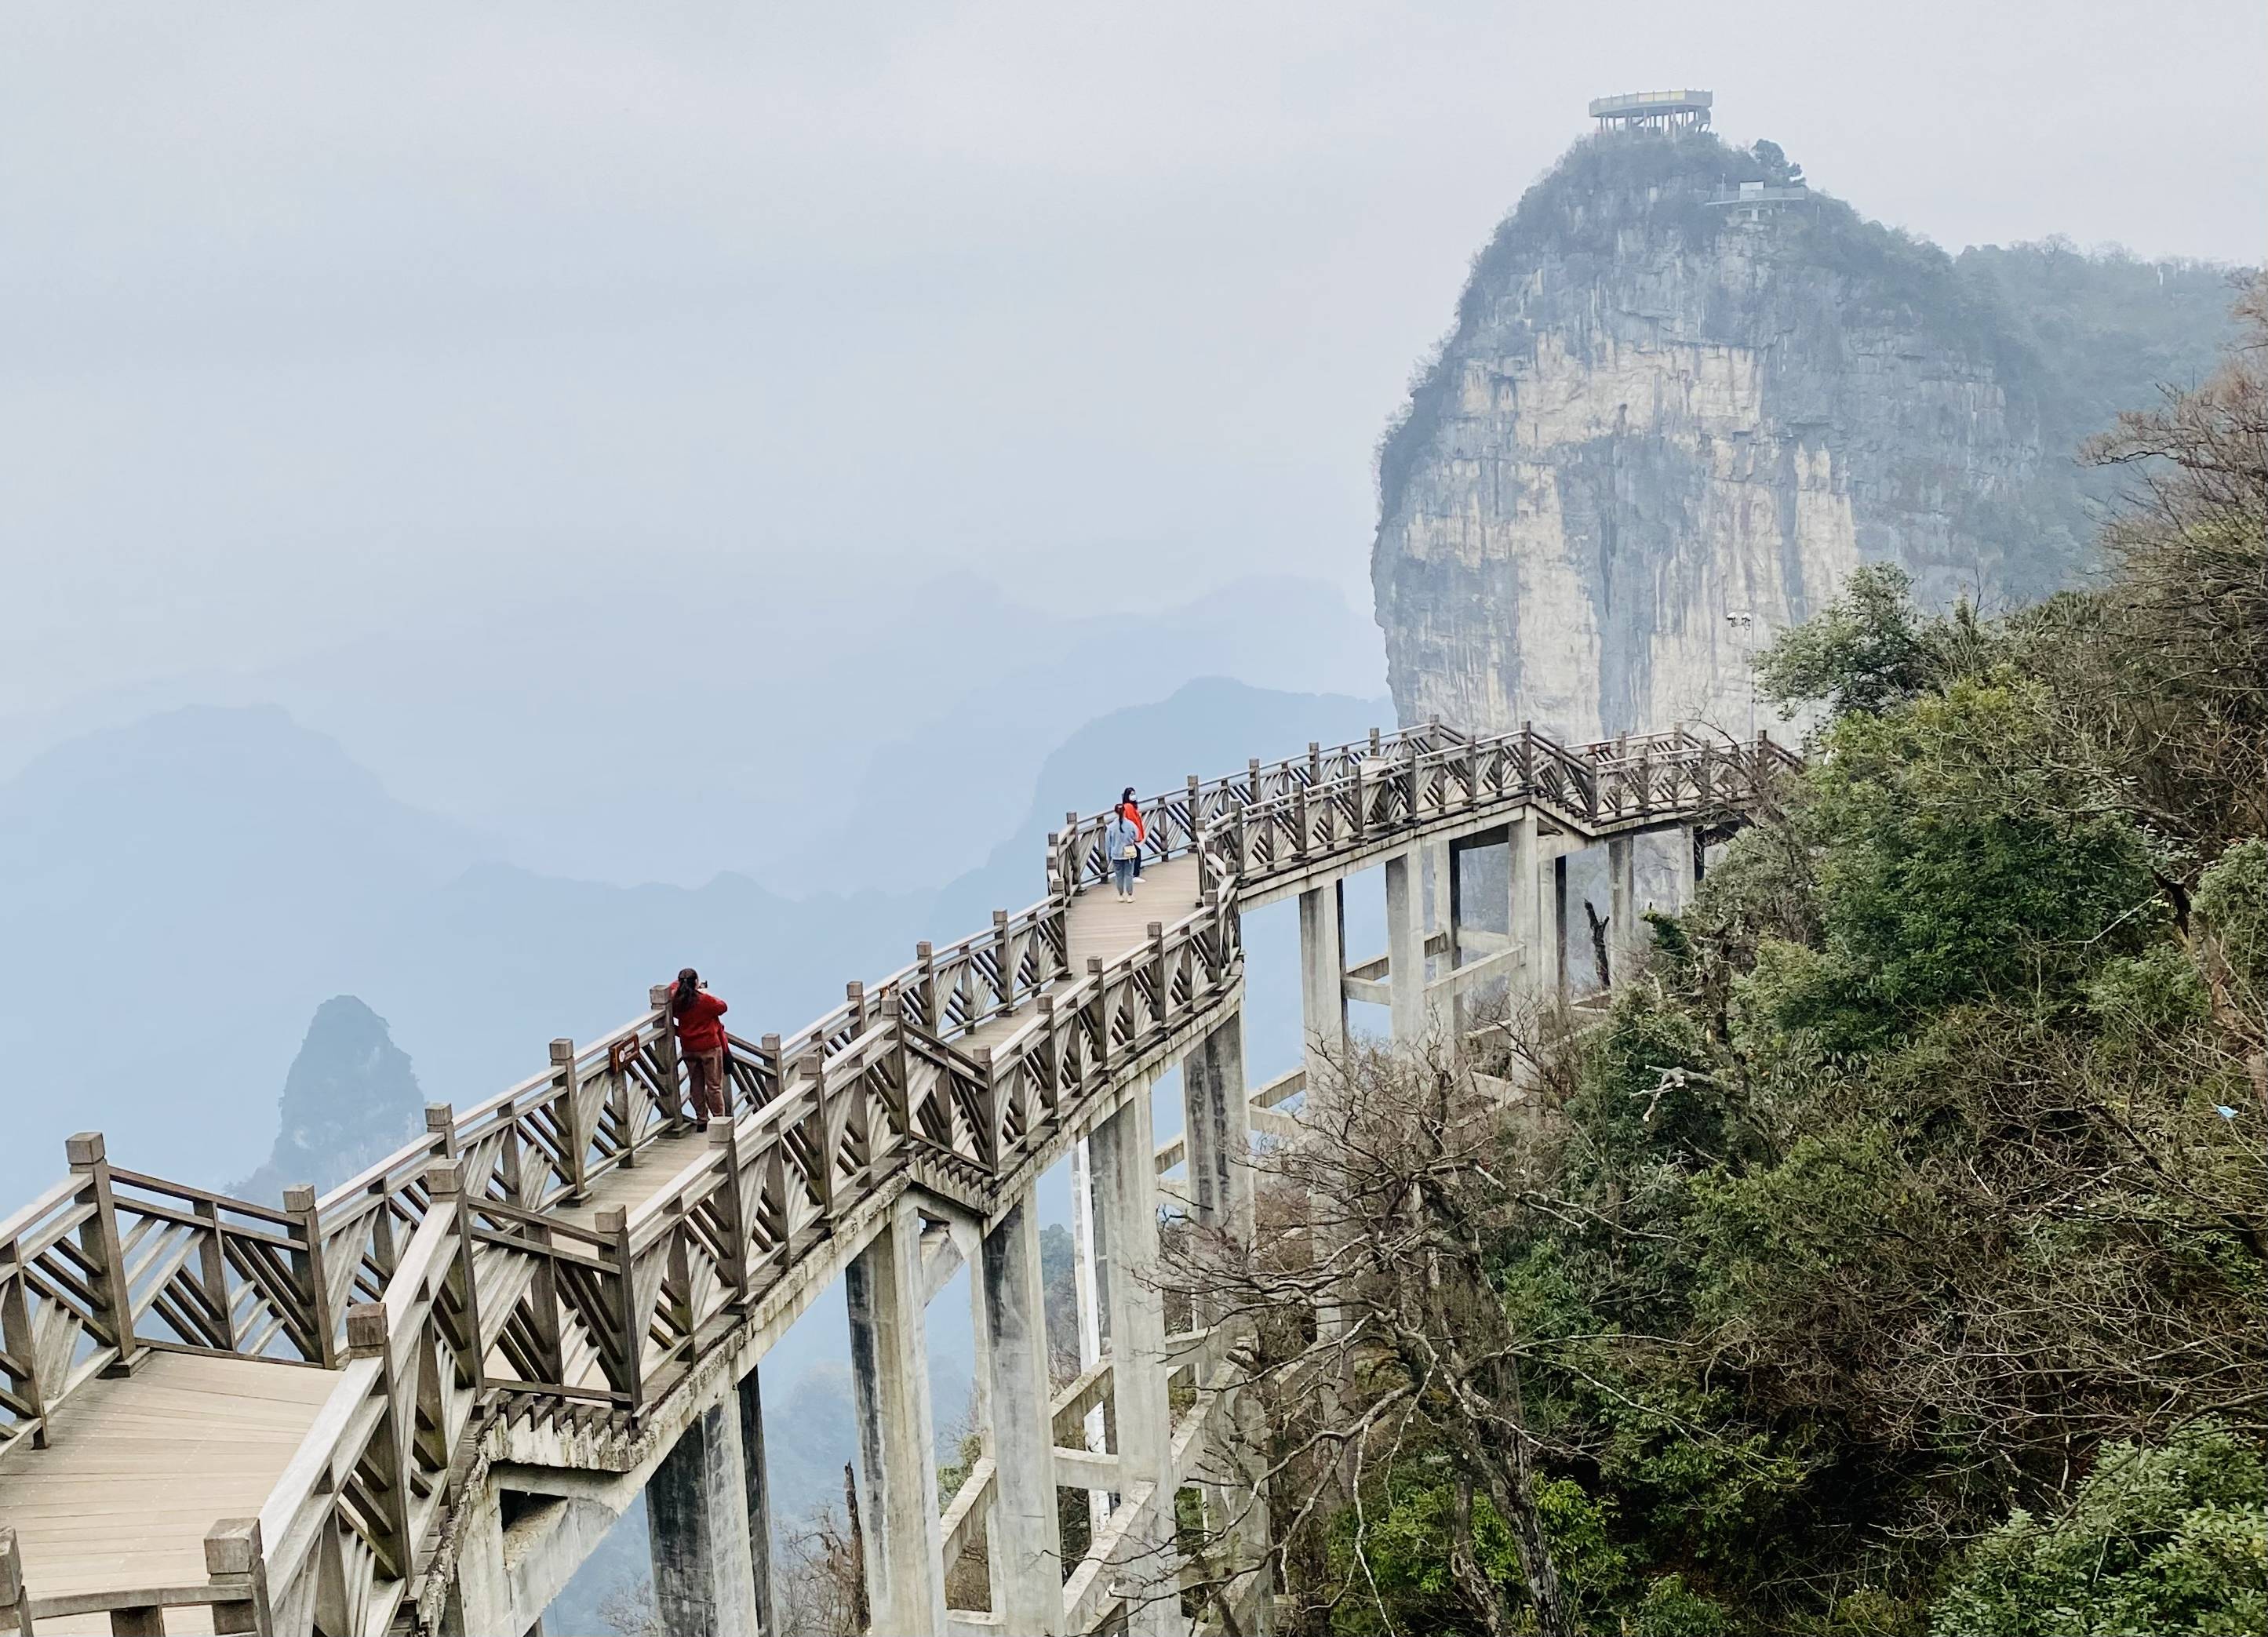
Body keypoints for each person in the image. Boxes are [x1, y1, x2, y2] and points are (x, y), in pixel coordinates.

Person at [667, 966, 730, 1130]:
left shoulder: (677, 1002)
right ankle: (719, 1121)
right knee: (714, 1086)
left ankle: (702, 1120)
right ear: (696, 982)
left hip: (689, 1048)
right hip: (709, 1047)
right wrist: (704, 993)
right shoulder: (705, 1001)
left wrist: (678, 985)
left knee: (696, 1085)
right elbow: (723, 1007)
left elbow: (672, 989)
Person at [1105, 806, 1141, 900]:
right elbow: (1137, 836)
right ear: (1125, 812)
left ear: (1115, 812)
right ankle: (1130, 895)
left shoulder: (1111, 827)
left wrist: (1109, 856)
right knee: (1129, 874)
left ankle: (1120, 895)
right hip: (1129, 853)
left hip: (1116, 854)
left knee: (1119, 876)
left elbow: (1108, 843)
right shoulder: (1131, 824)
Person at [1118, 787, 1145, 879]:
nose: (1133, 796)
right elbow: (1132, 821)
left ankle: (1131, 874)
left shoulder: (1128, 806)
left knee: (1132, 855)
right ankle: (1134, 875)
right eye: (1131, 794)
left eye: (1134, 794)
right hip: (1132, 836)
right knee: (1135, 855)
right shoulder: (1128, 807)